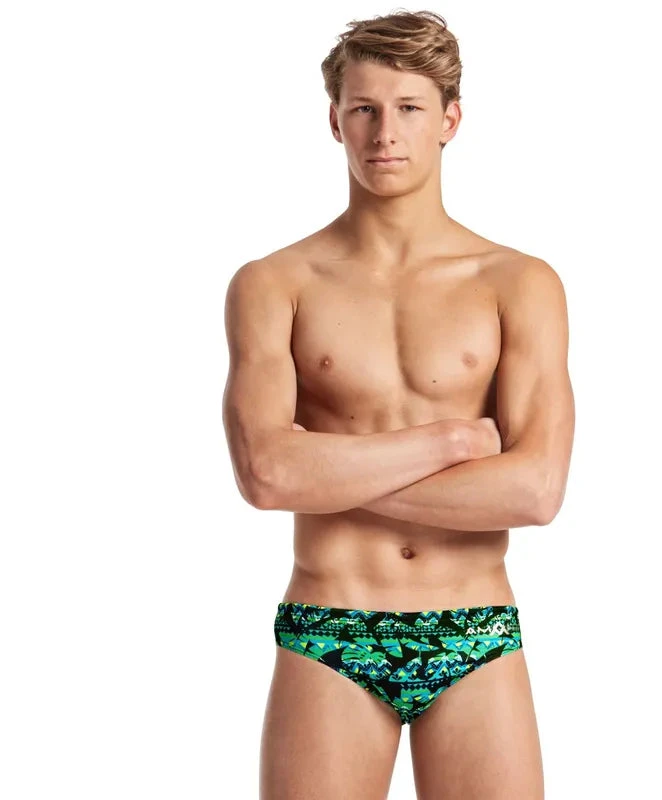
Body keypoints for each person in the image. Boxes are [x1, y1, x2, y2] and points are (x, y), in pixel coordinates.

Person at [222, 10, 574, 799]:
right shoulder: (274, 284)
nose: (385, 133)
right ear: (335, 121)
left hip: (474, 629)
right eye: (364, 109)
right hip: (331, 627)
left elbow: (535, 490)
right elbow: (267, 475)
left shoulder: (518, 284)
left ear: (450, 120)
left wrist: (327, 472)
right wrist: (453, 441)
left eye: (409, 108)